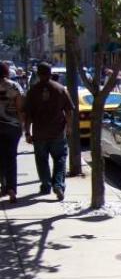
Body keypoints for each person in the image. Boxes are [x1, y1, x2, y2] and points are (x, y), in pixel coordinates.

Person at [23, 62, 74, 201]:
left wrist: (27, 132)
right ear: (50, 73)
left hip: (40, 132)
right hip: (57, 131)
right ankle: (58, 184)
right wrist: (69, 127)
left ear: (38, 74)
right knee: (60, 159)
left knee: (41, 160)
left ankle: (45, 184)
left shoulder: (32, 91)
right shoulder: (60, 89)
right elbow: (69, 110)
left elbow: (28, 115)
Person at [0, 62, 25, 203]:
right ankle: (12, 189)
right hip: (12, 126)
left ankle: (4, 186)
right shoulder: (15, 86)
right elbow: (20, 108)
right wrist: (23, 126)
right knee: (11, 157)